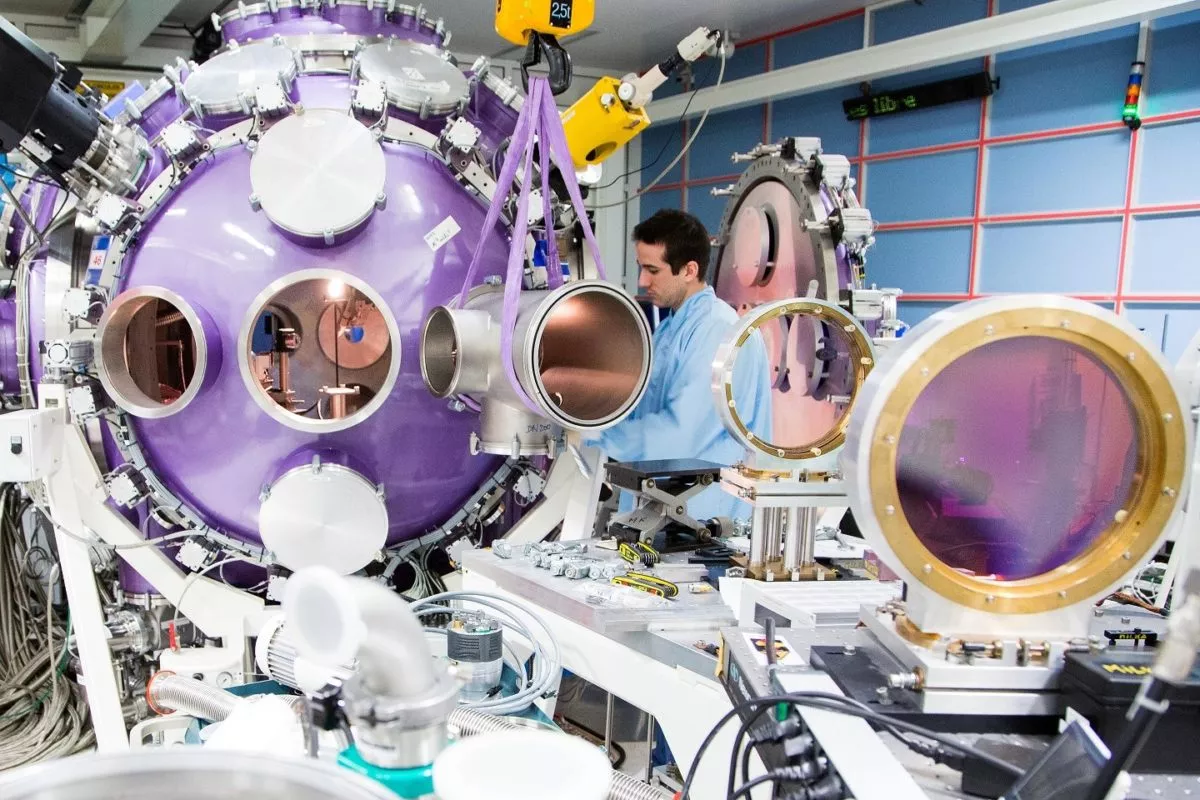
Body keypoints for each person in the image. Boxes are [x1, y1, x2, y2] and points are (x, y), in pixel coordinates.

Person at [585, 209, 772, 521]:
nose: (642, 281)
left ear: (689, 270)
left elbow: (680, 434)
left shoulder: (716, 330)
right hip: (665, 511)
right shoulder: (672, 328)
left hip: (703, 521)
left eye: (652, 270)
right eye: (640, 267)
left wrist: (594, 435)